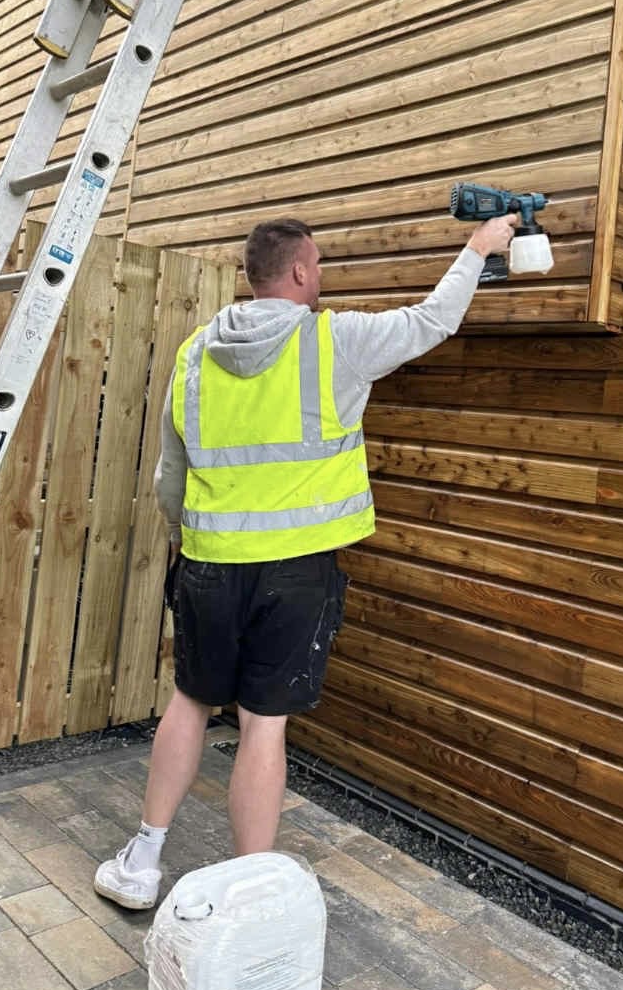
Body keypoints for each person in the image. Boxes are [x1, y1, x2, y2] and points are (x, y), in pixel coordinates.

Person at [93, 211, 516, 909]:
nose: (320, 277)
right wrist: (479, 247)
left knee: (191, 701)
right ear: (297, 271)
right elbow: (432, 320)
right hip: (295, 572)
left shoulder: (196, 350)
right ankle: (250, 894)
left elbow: (171, 474)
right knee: (264, 724)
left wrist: (189, 538)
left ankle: (142, 861)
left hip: (209, 559)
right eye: (316, 266)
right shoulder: (334, 340)